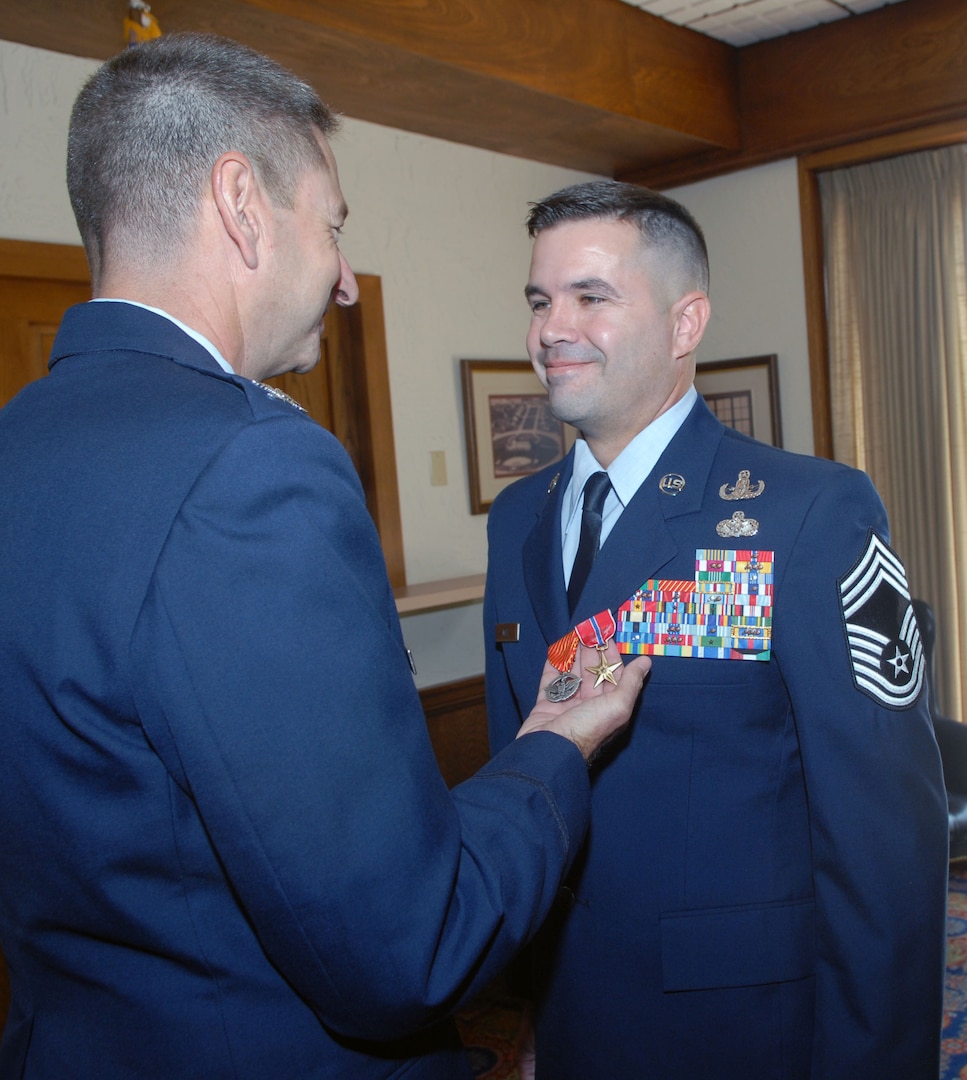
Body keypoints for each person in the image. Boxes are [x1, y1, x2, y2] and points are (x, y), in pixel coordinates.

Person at [0, 38, 651, 1079]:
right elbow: (408, 943)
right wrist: (557, 742)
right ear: (241, 206)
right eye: (334, 227)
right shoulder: (251, 463)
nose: (346, 281)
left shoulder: (20, 442)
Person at [484, 179, 949, 1078]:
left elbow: (884, 844)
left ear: (685, 323)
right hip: (574, 1007)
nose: (551, 328)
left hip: (740, 1024)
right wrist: (536, 1005)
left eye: (592, 297)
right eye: (540, 300)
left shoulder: (808, 512)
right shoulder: (518, 519)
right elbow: (525, 768)